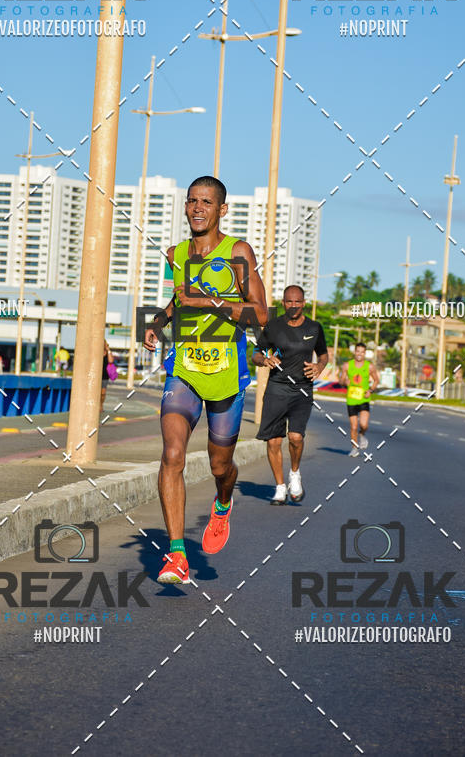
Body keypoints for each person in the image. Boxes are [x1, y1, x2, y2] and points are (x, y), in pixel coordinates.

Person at [144, 176, 267, 584]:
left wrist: (212, 303)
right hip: (185, 367)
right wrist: (159, 322)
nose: (198, 208)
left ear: (222, 210)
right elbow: (177, 299)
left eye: (207, 202)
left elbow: (261, 316)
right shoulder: (176, 254)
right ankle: (177, 554)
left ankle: (224, 500)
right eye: (192, 201)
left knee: (220, 465)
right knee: (173, 456)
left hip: (226, 372)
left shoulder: (238, 252)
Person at [252, 285, 328, 505]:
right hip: (277, 388)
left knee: (295, 437)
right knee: (274, 441)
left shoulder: (315, 328)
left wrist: (319, 367)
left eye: (297, 302)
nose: (293, 305)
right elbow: (256, 354)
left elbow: (323, 355)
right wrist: (265, 360)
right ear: (283, 303)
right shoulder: (273, 327)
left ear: (304, 303)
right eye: (289, 302)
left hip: (302, 389)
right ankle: (279, 487)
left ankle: (295, 474)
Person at [340, 342, 380, 457]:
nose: (359, 354)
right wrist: (345, 381)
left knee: (363, 425)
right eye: (358, 351)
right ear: (355, 352)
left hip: (363, 399)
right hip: (351, 399)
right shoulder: (347, 365)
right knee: (353, 427)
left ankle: (362, 435)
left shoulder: (370, 366)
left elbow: (376, 380)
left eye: (362, 352)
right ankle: (354, 448)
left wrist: (370, 390)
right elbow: (341, 380)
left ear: (365, 353)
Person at [101, 340, 115, 411]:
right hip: (96, 375)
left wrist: (108, 350)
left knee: (103, 393)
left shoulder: (107, 353)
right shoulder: (97, 351)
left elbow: (111, 361)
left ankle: (101, 404)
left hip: (105, 376)